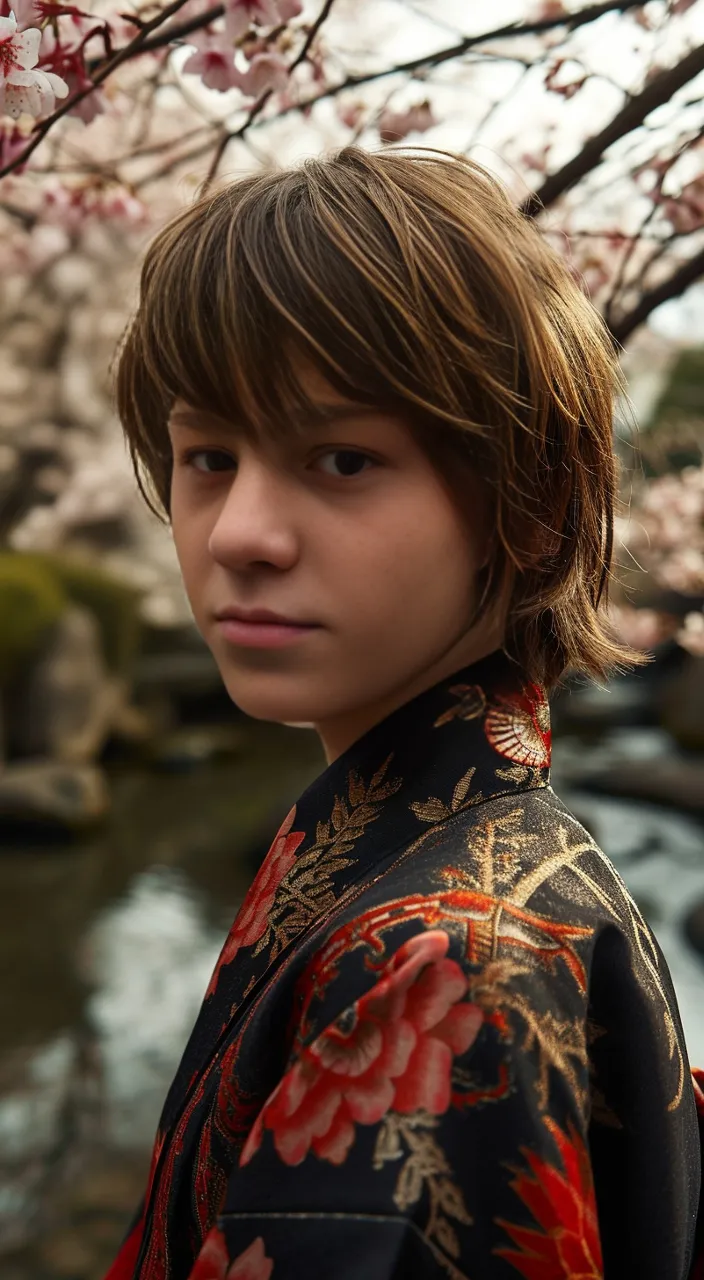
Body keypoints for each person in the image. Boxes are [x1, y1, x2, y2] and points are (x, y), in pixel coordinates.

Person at [105, 145, 703, 1280]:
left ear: (526, 504)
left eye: (340, 457)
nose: (238, 532)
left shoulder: (442, 957)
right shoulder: (449, 865)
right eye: (207, 456)